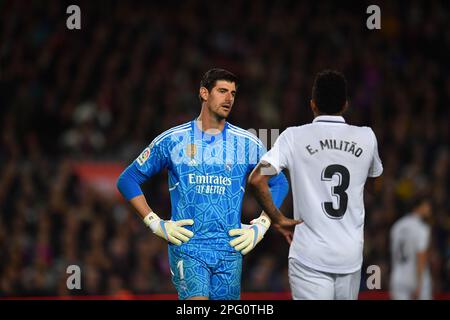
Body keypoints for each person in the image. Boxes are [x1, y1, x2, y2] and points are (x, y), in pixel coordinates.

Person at [116, 68, 289, 300]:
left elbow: (279, 182)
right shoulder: (173, 140)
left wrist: (262, 225)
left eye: (233, 93)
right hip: (188, 246)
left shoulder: (248, 143)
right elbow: (128, 180)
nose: (229, 98)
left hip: (230, 250)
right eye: (222, 91)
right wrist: (155, 223)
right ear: (204, 93)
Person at [247, 70, 383, 300]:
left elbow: (257, 178)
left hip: (309, 255)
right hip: (349, 255)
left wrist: (278, 219)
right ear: (345, 104)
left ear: (312, 104)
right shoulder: (367, 137)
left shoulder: (293, 137)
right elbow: (375, 178)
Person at [389, 197, 433, 300]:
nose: (429, 208)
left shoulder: (397, 226)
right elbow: (421, 256)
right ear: (417, 207)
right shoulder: (421, 228)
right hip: (415, 278)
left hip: (398, 277)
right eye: (426, 205)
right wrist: (419, 284)